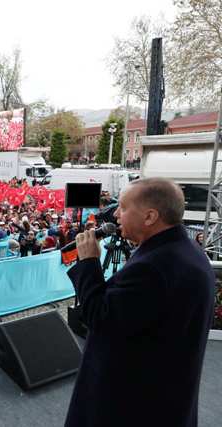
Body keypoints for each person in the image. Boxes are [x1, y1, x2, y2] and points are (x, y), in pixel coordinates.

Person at [65, 178, 215, 427]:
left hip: (133, 404)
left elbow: (99, 317)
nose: (115, 214)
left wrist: (89, 263)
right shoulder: (188, 252)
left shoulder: (153, 268)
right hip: (166, 396)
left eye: (123, 207)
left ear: (150, 217)